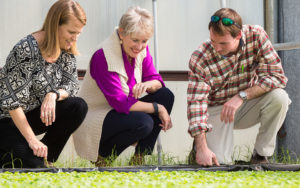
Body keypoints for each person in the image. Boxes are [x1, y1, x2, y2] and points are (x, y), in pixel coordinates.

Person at [187, 8, 291, 166]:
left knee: (279, 97)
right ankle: (198, 148)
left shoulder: (256, 36)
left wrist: (241, 96)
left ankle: (261, 156)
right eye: (213, 41)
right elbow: (196, 104)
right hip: (215, 112)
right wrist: (202, 147)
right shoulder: (200, 57)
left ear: (239, 35)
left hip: (244, 105)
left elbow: (277, 76)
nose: (217, 48)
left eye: (223, 43)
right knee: (218, 164)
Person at [73, 6, 174, 166]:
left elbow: (157, 80)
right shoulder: (103, 56)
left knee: (166, 95)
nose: (139, 46)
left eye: (144, 41)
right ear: (121, 33)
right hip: (95, 115)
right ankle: (104, 157)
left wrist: (149, 84)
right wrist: (158, 108)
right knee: (144, 122)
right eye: (135, 40)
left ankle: (139, 158)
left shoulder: (141, 49)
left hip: (119, 111)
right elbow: (119, 102)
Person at [0, 0, 88, 168]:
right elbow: (11, 103)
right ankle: (28, 155)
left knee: (78, 106)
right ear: (55, 26)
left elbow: (71, 86)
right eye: (71, 32)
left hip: (33, 116)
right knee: (32, 167)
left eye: (79, 33)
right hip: (7, 120)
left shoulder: (66, 48)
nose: (75, 38)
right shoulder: (26, 49)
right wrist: (33, 141)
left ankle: (46, 157)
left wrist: (53, 94)